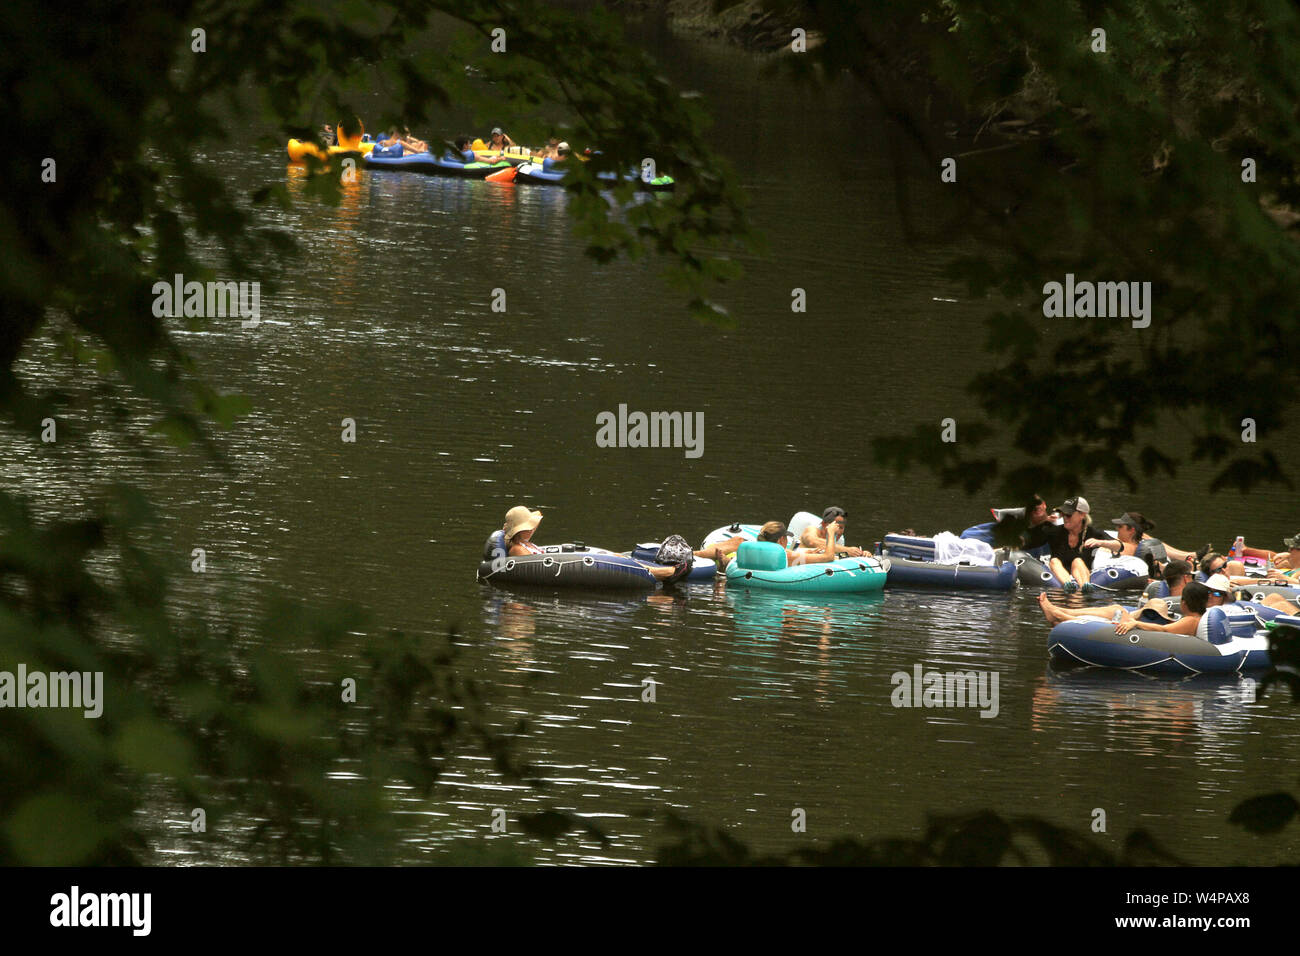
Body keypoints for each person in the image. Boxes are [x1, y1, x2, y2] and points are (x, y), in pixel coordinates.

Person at [489, 506, 691, 582]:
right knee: (616, 563)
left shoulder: (525, 544)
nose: (534, 529)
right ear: (521, 530)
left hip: (565, 564)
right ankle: (667, 574)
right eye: (530, 526)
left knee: (618, 557)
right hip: (565, 569)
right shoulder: (517, 550)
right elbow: (537, 567)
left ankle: (660, 571)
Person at [1038, 582, 1210, 637]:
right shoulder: (1195, 618)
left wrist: (1135, 623)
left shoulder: (1191, 620)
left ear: (1185, 603)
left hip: (1150, 637)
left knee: (1113, 619)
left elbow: (1164, 629)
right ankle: (1061, 612)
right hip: (1155, 635)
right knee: (1116, 609)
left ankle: (1060, 615)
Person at [1025, 495, 1095, 592]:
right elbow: (1030, 542)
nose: (1065, 518)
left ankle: (1085, 586)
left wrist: (1102, 543)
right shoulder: (1055, 531)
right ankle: (1068, 585)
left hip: (1081, 572)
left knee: (1077, 561)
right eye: (1063, 514)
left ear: (1082, 515)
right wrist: (1044, 521)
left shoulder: (1092, 533)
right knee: (1055, 561)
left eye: (1068, 515)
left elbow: (1120, 545)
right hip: (1058, 574)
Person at [755, 520, 850, 566]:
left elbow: (791, 553)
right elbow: (828, 557)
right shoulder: (785, 556)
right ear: (781, 540)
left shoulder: (760, 550)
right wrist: (831, 533)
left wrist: (809, 553)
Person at [799, 506, 866, 557]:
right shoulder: (811, 530)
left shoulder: (839, 541)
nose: (838, 532)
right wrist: (846, 550)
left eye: (841, 528)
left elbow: (839, 556)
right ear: (823, 524)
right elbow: (812, 541)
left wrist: (860, 554)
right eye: (836, 526)